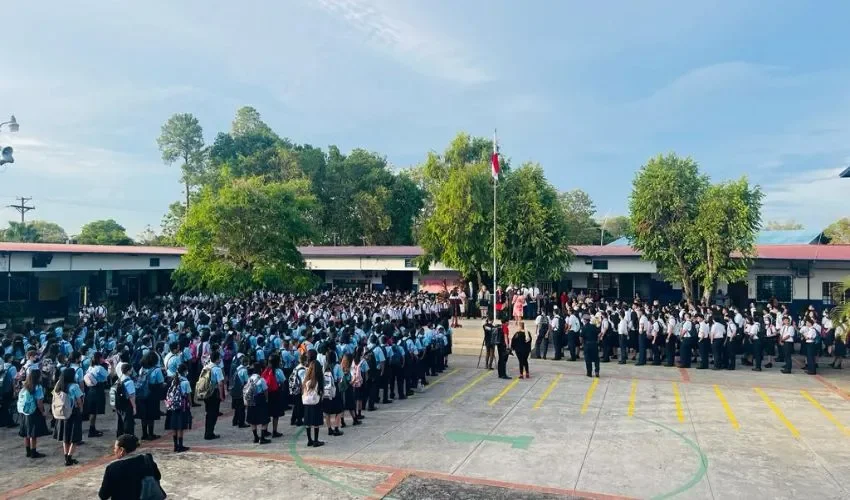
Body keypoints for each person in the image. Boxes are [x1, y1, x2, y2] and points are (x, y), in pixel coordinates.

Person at [98, 434, 164, 500]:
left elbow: (103, 495)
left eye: (115, 448)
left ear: (121, 450)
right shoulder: (147, 459)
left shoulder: (113, 468)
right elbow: (158, 476)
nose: (114, 451)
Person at [53, 367, 84, 466]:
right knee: (74, 437)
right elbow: (79, 400)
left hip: (62, 413)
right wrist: (81, 409)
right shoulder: (74, 386)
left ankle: (66, 456)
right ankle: (70, 457)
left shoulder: (58, 384)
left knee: (65, 437)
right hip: (73, 412)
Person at [18, 369, 49, 458]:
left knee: (26, 433)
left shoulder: (25, 386)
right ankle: (33, 452)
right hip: (33, 411)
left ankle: (28, 451)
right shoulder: (38, 387)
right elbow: (39, 402)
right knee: (33, 434)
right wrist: (43, 412)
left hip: (24, 411)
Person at [164, 363, 191, 453]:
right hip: (182, 406)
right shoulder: (186, 382)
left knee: (174, 426)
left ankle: (175, 446)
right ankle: (180, 446)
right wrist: (190, 404)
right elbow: (188, 395)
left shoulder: (174, 380)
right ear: (184, 371)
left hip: (172, 406)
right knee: (180, 427)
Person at [137, 352, 164, 441]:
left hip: (141, 394)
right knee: (151, 415)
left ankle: (144, 434)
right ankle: (151, 434)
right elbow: (160, 382)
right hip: (152, 394)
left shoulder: (142, 369)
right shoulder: (157, 370)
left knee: (143, 415)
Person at [201, 351, 226, 440]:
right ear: (217, 359)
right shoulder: (217, 369)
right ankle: (209, 433)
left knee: (208, 413)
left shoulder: (206, 366)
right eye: (219, 358)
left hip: (206, 392)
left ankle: (207, 431)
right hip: (214, 393)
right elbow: (220, 383)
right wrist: (221, 395)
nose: (220, 359)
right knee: (214, 413)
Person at [83, 351, 108, 437]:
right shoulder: (99, 368)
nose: (103, 359)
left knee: (92, 411)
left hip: (90, 390)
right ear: (99, 358)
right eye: (102, 357)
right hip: (98, 389)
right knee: (95, 411)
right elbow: (107, 376)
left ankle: (92, 428)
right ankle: (92, 429)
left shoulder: (90, 367)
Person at [245, 362, 271, 444]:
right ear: (260, 369)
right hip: (260, 399)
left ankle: (255, 437)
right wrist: (267, 399)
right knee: (265, 419)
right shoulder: (261, 379)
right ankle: (262, 438)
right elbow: (265, 390)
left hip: (251, 399)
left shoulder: (250, 378)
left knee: (253, 419)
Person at [302, 359, 325, 447]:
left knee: (307, 422)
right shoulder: (318, 381)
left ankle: (309, 440)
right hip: (316, 402)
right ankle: (316, 440)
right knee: (316, 422)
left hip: (307, 402)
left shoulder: (306, 380)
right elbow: (321, 392)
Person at [322, 350, 344, 437]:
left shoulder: (324, 366)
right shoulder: (337, 366)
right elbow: (340, 378)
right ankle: (336, 428)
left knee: (327, 411)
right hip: (335, 389)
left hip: (326, 390)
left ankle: (329, 429)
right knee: (338, 410)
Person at [265, 354, 286, 438]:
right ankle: (274, 431)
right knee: (275, 414)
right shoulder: (278, 371)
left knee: (267, 412)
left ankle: (265, 430)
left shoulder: (266, 370)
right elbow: (283, 381)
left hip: (267, 393)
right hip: (276, 393)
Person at [115, 363, 137, 438]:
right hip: (127, 404)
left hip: (119, 404)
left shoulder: (119, 379)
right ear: (128, 371)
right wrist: (134, 407)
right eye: (131, 370)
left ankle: (120, 437)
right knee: (128, 422)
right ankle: (129, 438)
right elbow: (132, 396)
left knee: (120, 421)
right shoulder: (129, 382)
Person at [230, 354, 250, 428]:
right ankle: (241, 423)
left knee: (237, 407)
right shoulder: (244, 370)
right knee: (241, 407)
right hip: (240, 390)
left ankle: (235, 421)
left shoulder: (237, 368)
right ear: (245, 363)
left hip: (234, 390)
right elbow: (246, 381)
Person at [290, 353, 307, 427]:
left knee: (296, 405)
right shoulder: (302, 370)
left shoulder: (297, 367)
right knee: (299, 405)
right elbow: (303, 382)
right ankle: (299, 420)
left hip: (293, 388)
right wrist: (304, 391)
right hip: (299, 389)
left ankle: (293, 419)